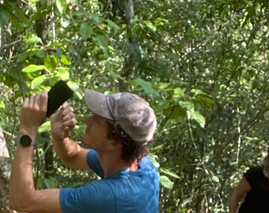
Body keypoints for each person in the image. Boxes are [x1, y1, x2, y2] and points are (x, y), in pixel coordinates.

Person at [8, 88, 159, 213]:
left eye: (97, 120)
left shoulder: (109, 196)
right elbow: (73, 157)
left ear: (114, 142)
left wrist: (28, 129)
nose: (87, 121)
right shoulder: (142, 165)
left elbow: (22, 201)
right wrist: (59, 137)